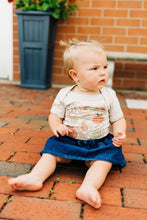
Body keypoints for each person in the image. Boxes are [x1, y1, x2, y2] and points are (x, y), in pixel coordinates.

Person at [8, 39, 126, 209]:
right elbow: (54, 116)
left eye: (105, 67)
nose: (102, 73)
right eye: (95, 68)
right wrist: (57, 126)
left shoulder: (109, 95)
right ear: (75, 75)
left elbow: (117, 119)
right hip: (68, 141)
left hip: (99, 143)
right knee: (50, 152)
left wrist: (120, 132)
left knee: (104, 162)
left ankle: (88, 187)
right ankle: (35, 177)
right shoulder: (66, 94)